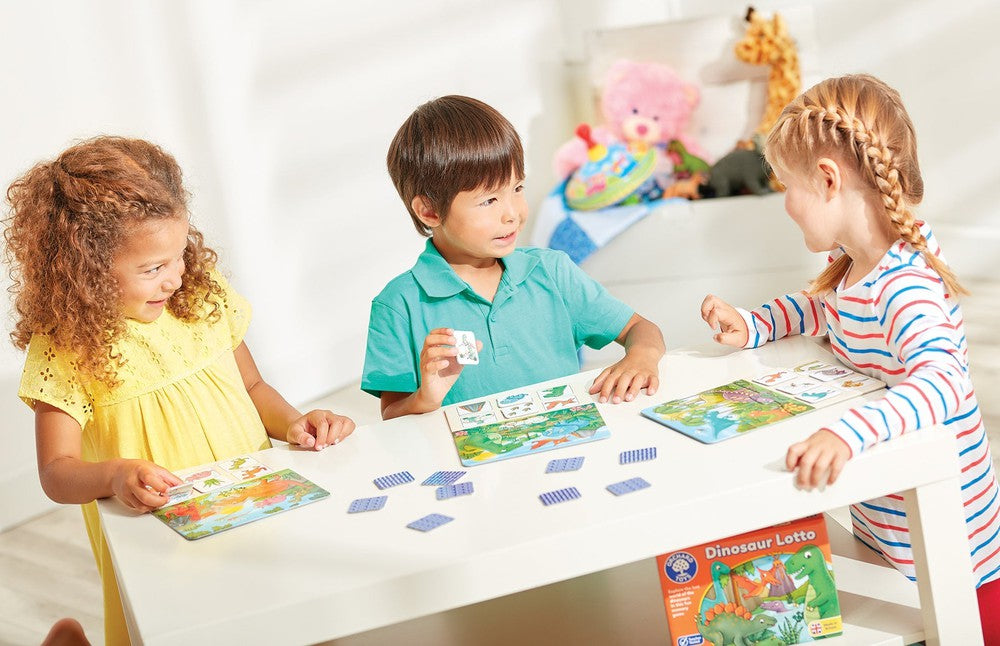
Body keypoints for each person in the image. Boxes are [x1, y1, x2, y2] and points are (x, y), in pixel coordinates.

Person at [4, 137, 356, 645]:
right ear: (86, 271)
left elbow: (252, 386)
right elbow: (57, 473)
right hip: (161, 530)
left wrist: (295, 423)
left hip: (249, 503)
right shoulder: (69, 348)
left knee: (269, 615)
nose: (174, 278)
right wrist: (115, 475)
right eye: (153, 269)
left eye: (179, 255)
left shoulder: (199, 297)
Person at [699, 74, 1000, 639]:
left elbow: (944, 384)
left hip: (954, 555)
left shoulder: (904, 286)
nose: (785, 203)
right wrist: (755, 323)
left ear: (827, 179)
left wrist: (846, 433)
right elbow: (822, 307)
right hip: (892, 529)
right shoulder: (856, 263)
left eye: (787, 186)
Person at [363, 95, 665, 420]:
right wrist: (425, 398)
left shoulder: (551, 271)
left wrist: (641, 356)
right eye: (489, 200)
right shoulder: (397, 306)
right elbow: (392, 415)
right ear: (430, 211)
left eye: (517, 188)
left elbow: (640, 328)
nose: (512, 214)